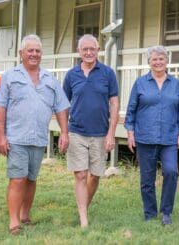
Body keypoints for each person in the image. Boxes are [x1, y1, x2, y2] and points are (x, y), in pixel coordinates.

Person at [0, 34, 70, 235]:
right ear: (21, 53)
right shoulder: (10, 76)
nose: (34, 54)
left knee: (31, 179)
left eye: (37, 51)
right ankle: (14, 222)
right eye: (30, 50)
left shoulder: (50, 79)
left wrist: (64, 132)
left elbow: (61, 107)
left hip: (38, 138)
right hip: (16, 137)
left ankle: (25, 215)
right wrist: (0, 136)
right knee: (17, 178)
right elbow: (0, 107)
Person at [124, 45, 179, 225]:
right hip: (145, 137)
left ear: (167, 61)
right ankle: (150, 214)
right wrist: (130, 133)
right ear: (149, 62)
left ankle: (166, 212)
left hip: (169, 137)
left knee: (171, 172)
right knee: (147, 179)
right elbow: (131, 110)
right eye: (154, 59)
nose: (158, 62)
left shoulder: (175, 84)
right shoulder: (140, 83)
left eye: (161, 58)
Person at [63, 34, 119, 228]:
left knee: (95, 175)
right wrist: (63, 131)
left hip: (100, 133)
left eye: (92, 49)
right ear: (79, 52)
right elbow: (64, 105)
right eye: (84, 49)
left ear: (97, 50)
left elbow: (114, 103)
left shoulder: (108, 73)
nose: (88, 52)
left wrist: (111, 133)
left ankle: (83, 206)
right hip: (77, 131)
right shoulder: (71, 75)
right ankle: (83, 218)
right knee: (80, 175)